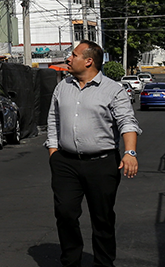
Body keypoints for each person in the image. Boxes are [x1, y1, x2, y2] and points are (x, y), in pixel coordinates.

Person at [46, 40, 140, 267]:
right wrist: (53, 152)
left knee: (103, 219)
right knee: (65, 214)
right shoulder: (62, 87)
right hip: (66, 163)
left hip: (102, 164)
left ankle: (104, 264)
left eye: (74, 55)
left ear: (88, 61)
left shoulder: (112, 90)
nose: (69, 58)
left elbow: (127, 122)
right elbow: (53, 120)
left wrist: (130, 152)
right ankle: (71, 261)